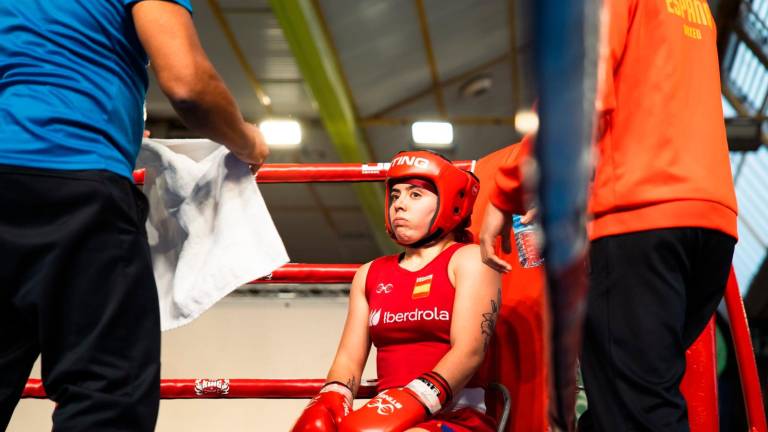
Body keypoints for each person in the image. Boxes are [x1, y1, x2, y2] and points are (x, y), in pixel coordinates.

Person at [0, 1, 268, 430]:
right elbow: (189, 85)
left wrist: (118, 122)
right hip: (76, 185)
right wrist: (248, 140)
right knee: (106, 396)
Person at [480, 1, 738, 430]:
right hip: (710, 222)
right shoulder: (696, 7)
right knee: (616, 407)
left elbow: (580, 92)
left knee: (638, 414)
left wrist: (506, 190)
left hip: (639, 219)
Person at [291, 150, 501, 432]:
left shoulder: (469, 260)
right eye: (395, 195)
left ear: (450, 202)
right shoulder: (370, 273)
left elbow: (469, 351)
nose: (400, 204)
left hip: (459, 417)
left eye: (415, 194)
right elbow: (348, 359)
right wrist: (330, 401)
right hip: (388, 416)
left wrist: (415, 398)